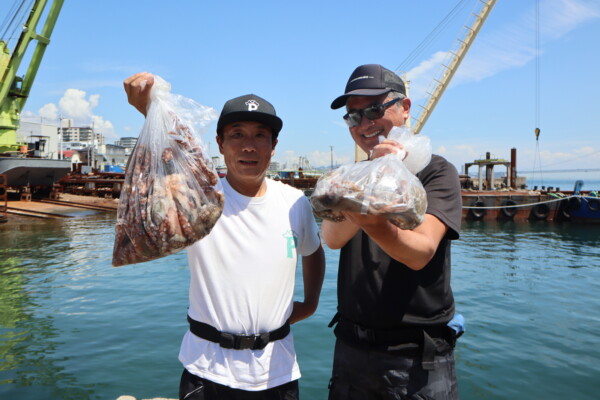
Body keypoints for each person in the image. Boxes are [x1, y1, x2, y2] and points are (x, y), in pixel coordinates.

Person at [123, 72, 325, 400]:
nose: (248, 145)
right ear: (220, 143)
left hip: (279, 370)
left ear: (273, 146)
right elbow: (175, 149)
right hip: (207, 369)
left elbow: (313, 250)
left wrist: (312, 303)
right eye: (237, 134)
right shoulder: (199, 198)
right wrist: (149, 108)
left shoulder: (294, 203)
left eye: (261, 135)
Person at [322, 64, 463, 399]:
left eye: (374, 109)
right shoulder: (354, 175)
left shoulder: (438, 173)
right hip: (351, 350)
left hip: (416, 360)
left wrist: (368, 205)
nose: (365, 123)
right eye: (353, 116)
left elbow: (420, 252)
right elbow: (331, 238)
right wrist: (373, 176)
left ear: (405, 108)